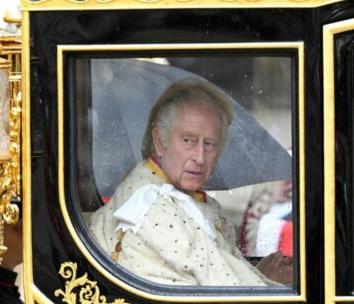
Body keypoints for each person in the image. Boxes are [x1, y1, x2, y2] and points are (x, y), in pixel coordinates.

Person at [88, 77, 275, 286]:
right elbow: (232, 292)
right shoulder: (154, 205)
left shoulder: (192, 200)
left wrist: (258, 273)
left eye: (210, 144)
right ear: (160, 141)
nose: (200, 157)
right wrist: (272, 285)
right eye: (188, 140)